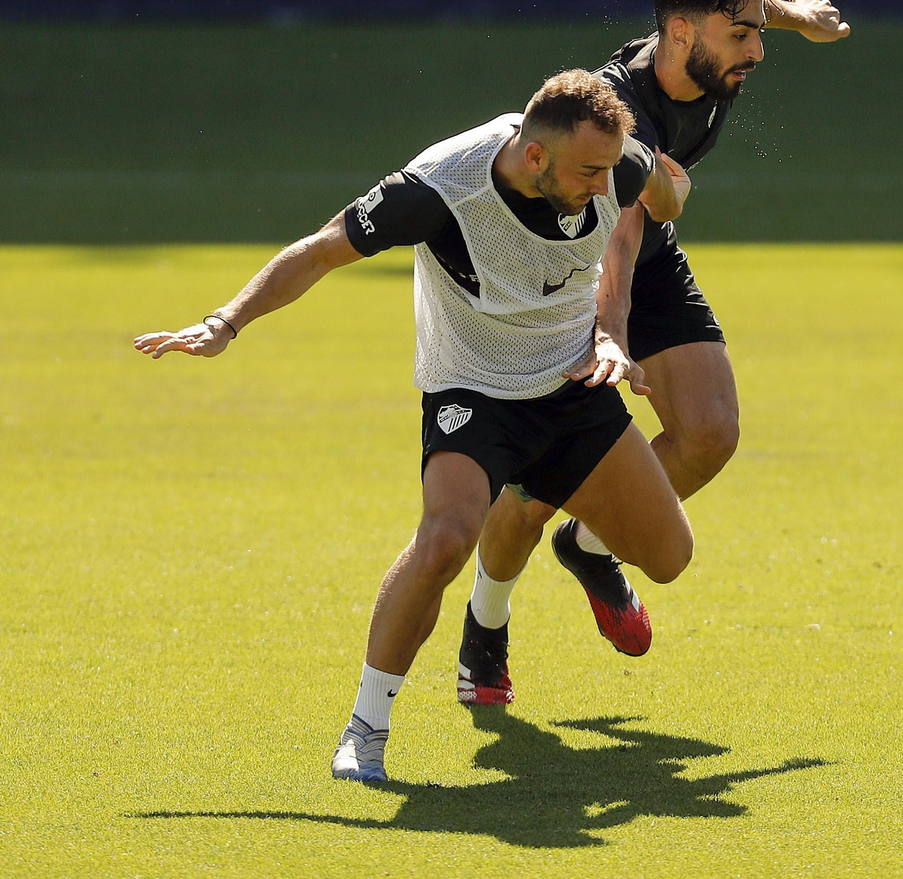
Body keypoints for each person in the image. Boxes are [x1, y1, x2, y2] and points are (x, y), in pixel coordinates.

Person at [132, 70, 691, 782]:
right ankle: (365, 728)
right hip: (475, 392)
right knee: (445, 538)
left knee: (669, 556)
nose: (603, 183)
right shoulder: (439, 189)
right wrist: (223, 324)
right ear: (534, 157)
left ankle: (543, 513)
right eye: (589, 171)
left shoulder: (616, 165)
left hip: (574, 385)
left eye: (613, 168)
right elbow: (320, 249)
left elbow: (647, 205)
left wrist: (621, 308)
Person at [461, 0, 850, 700]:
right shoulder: (625, 118)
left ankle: (591, 542)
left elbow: (743, 12)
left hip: (647, 254)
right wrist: (608, 333)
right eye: (742, 37)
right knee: (534, 489)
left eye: (755, 32)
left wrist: (796, 16)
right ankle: (485, 626)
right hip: (569, 267)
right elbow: (619, 237)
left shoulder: (709, 41)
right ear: (682, 33)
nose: (755, 52)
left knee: (710, 433)